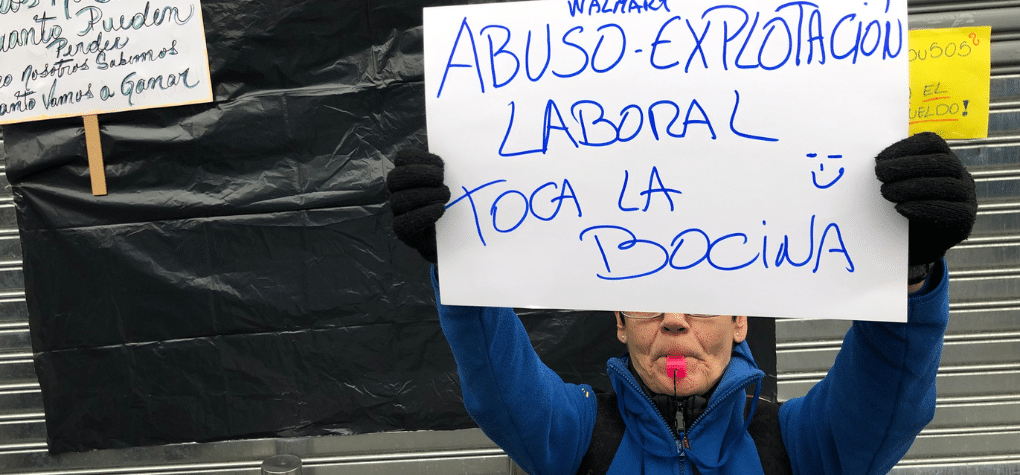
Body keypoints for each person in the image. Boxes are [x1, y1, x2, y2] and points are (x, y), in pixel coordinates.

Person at [386, 132, 977, 475]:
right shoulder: (576, 435)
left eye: (701, 300)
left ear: (740, 321)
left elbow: (888, 399)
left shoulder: (798, 445)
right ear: (620, 324)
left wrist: (910, 269)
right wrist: (456, 259)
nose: (673, 319)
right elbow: (498, 384)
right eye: (649, 302)